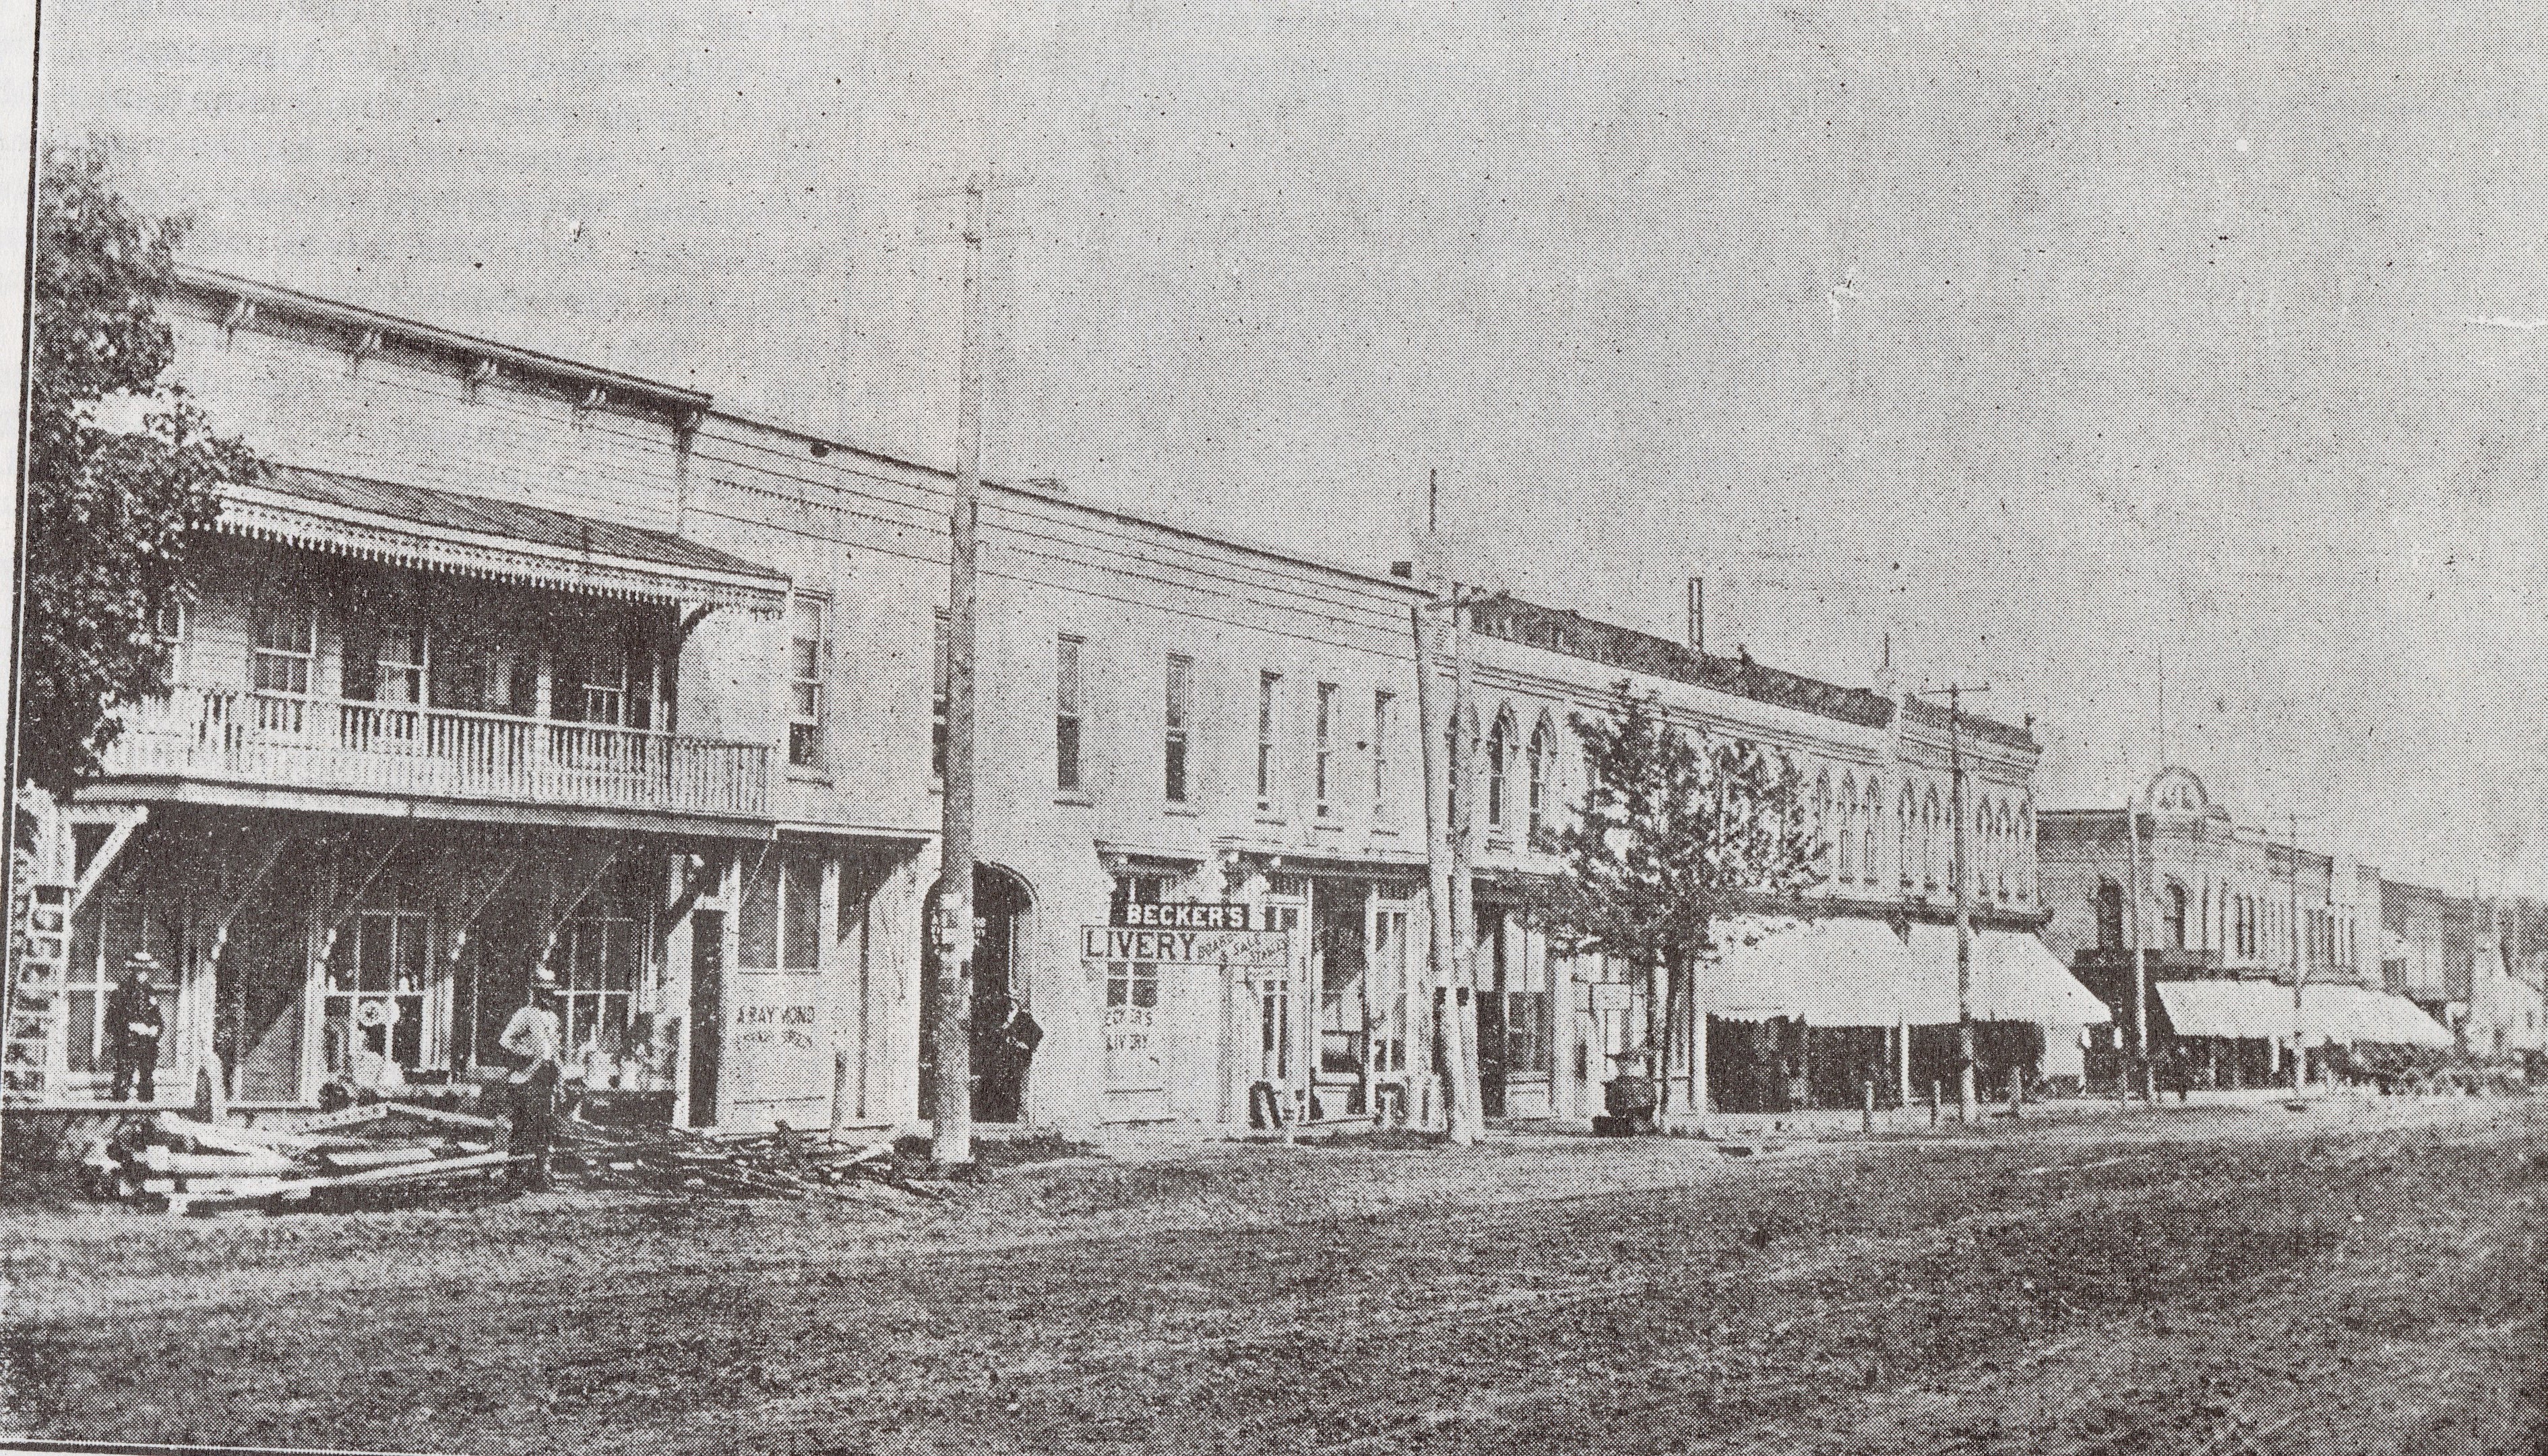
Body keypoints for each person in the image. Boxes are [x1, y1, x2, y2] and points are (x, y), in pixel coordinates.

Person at [499, 967, 564, 1191]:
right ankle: (514, 1176)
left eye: (550, 991)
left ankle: (539, 1175)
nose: (547, 996)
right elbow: (505, 1041)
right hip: (525, 1080)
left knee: (544, 1128)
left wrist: (561, 1079)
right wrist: (527, 1054)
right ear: (536, 992)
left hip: (546, 1078)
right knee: (522, 1128)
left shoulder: (554, 1019)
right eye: (543, 991)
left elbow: (555, 1052)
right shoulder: (525, 1014)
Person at [106, 952, 164, 1102]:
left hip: (148, 1044)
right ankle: (120, 1109)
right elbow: (111, 1022)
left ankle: (146, 1111)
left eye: (146, 971)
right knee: (124, 1078)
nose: (143, 974)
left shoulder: (151, 992)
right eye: (139, 970)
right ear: (133, 971)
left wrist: (155, 1029)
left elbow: (158, 1019)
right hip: (128, 1044)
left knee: (147, 1079)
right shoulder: (122, 992)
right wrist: (130, 1027)